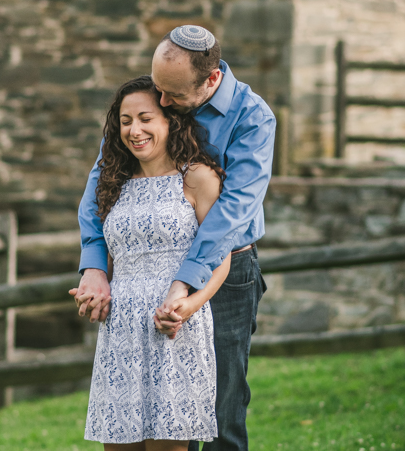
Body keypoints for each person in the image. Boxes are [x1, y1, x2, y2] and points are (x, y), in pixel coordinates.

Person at [75, 26, 276, 451]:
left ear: (211, 80)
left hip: (226, 268)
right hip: (140, 281)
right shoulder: (155, 99)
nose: (161, 102)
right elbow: (100, 184)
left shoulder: (253, 118)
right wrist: (95, 265)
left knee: (221, 408)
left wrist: (184, 285)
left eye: (171, 98)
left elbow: (230, 216)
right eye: (158, 91)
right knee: (142, 413)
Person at [75, 75, 231, 450]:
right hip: (122, 329)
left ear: (169, 121)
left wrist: (188, 308)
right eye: (126, 121)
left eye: (145, 118)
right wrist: (93, 287)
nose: (135, 130)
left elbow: (220, 258)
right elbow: (105, 250)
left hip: (175, 328)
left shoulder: (197, 178)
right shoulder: (111, 182)